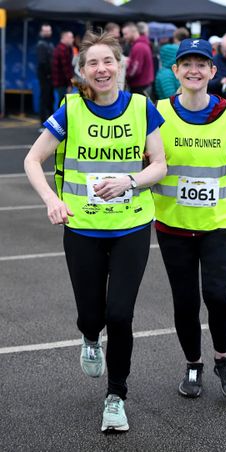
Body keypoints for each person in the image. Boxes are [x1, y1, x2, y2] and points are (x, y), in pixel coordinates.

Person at [24, 31, 166, 433]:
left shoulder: (141, 107)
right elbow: (32, 160)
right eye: (92, 63)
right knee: (93, 315)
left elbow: (160, 164)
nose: (101, 69)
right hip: (83, 227)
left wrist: (131, 181)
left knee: (120, 314)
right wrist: (52, 200)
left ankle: (116, 397)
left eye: (108, 61)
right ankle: (89, 337)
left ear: (120, 66)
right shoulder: (71, 110)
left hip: (131, 225)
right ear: (82, 71)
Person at [152, 38, 226, 399]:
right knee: (185, 301)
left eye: (201, 64)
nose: (194, 70)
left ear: (213, 71)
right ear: (175, 71)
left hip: (220, 224)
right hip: (173, 225)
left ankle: (223, 359)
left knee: (217, 295)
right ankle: (193, 365)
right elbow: (143, 160)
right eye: (187, 64)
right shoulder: (157, 112)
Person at [122, 22, 154, 96]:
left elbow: (135, 70)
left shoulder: (139, 46)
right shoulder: (141, 44)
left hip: (140, 86)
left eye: (126, 34)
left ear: (133, 32)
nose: (124, 37)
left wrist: (125, 76)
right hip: (143, 85)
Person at [36, 24, 54, 133]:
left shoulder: (50, 44)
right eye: (45, 31)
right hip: (45, 77)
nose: (47, 33)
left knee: (50, 100)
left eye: (49, 31)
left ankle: (51, 123)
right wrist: (48, 74)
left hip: (51, 77)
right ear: (41, 32)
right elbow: (42, 62)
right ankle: (43, 124)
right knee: (44, 99)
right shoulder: (41, 44)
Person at [52, 30, 74, 110]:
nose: (73, 39)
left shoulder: (60, 48)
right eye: (71, 37)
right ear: (65, 38)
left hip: (60, 82)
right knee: (62, 103)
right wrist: (69, 83)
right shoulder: (63, 49)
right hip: (62, 82)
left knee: (61, 102)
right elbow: (66, 69)